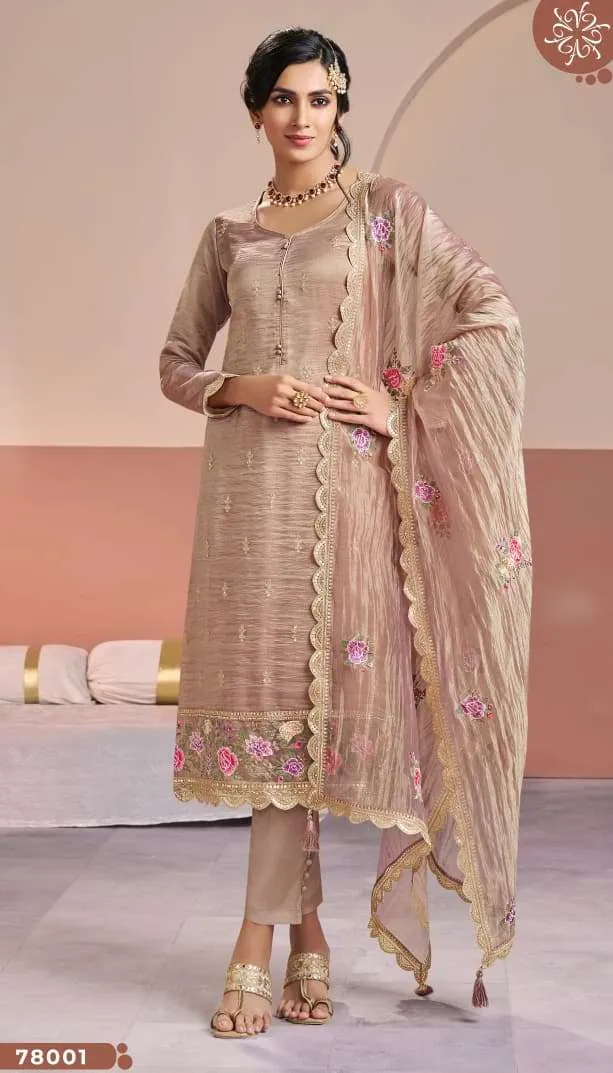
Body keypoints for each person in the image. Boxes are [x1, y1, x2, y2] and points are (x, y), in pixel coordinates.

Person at [159, 26, 531, 1039]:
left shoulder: (386, 212)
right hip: (247, 506)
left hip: (350, 504)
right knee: (280, 728)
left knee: (316, 721)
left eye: (319, 99)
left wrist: (396, 397)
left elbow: (488, 316)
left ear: (340, 109)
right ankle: (308, 935)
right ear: (255, 112)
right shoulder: (228, 234)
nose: (301, 117)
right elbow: (178, 362)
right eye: (283, 98)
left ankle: (254, 939)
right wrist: (246, 386)